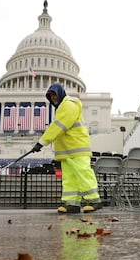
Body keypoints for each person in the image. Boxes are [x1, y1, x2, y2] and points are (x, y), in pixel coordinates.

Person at [31, 83, 102, 214]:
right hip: (67, 150)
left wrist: (41, 142)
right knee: (69, 178)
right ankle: (72, 204)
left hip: (77, 147)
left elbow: (58, 126)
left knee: (83, 173)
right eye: (50, 96)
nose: (53, 98)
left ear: (60, 93)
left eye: (54, 94)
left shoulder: (69, 104)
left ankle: (94, 200)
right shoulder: (62, 108)